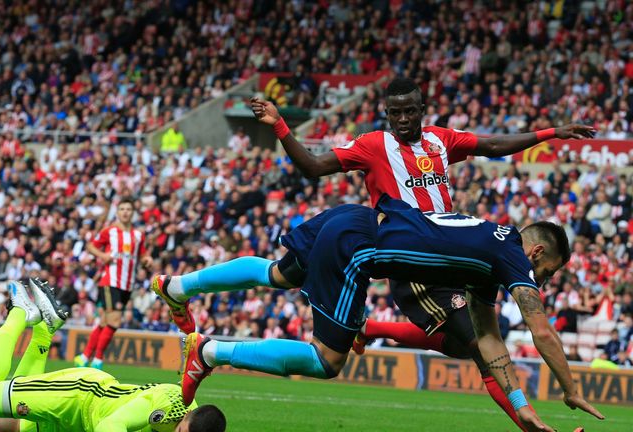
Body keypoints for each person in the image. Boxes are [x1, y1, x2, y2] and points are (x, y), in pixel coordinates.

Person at [240, 77, 595, 431]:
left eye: (410, 111)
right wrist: (281, 127)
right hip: (414, 263)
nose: (404, 119)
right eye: (396, 113)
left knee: (469, 342)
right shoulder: (374, 145)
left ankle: (370, 328)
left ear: (422, 110)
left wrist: (553, 132)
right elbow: (314, 166)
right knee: (476, 343)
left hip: (449, 262)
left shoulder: (440, 141)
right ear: (386, 114)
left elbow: (492, 144)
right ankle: (532, 424)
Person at [155, 196, 604, 432]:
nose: (541, 280)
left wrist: (522, 407)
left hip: (353, 217)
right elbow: (541, 332)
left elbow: (489, 342)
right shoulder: (515, 258)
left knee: (278, 274)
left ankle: (177, 286)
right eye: (547, 271)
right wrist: (570, 389)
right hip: (359, 248)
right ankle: (211, 351)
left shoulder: (490, 255)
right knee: (326, 361)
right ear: (539, 250)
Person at [0, 278, 225, 432]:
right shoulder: (172, 405)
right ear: (187, 418)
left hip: (84, 423)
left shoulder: (190, 421)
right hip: (80, 396)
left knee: (7, 426)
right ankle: (20, 310)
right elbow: (110, 428)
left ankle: (44, 331)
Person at [76, 199, 151, 369]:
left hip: (128, 284)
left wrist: (147, 259)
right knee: (114, 321)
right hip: (110, 281)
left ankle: (84, 356)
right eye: (122, 209)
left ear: (132, 212)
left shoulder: (138, 235)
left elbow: (143, 253)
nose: (125, 212)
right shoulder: (109, 232)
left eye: (128, 209)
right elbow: (91, 246)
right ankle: (98, 360)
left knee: (104, 322)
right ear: (117, 212)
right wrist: (102, 256)